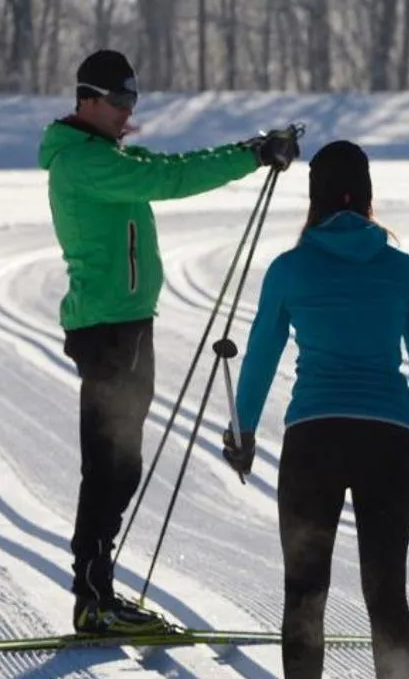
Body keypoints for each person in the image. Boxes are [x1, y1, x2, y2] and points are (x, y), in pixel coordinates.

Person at [39, 48, 298, 635]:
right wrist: (253, 157)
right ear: (87, 99)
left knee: (121, 464)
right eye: (119, 100)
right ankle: (92, 598)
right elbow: (169, 178)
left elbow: (178, 162)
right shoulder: (84, 164)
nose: (129, 111)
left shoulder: (106, 153)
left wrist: (247, 150)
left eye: (134, 100)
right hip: (107, 330)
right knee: (109, 464)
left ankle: (98, 592)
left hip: (127, 323)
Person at [223, 141, 409, 679]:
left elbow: (260, 353)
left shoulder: (290, 268)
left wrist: (243, 431)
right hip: (386, 439)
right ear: (368, 195)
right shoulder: (400, 269)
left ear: (315, 197)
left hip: (314, 437)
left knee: (305, 586)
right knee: (385, 587)